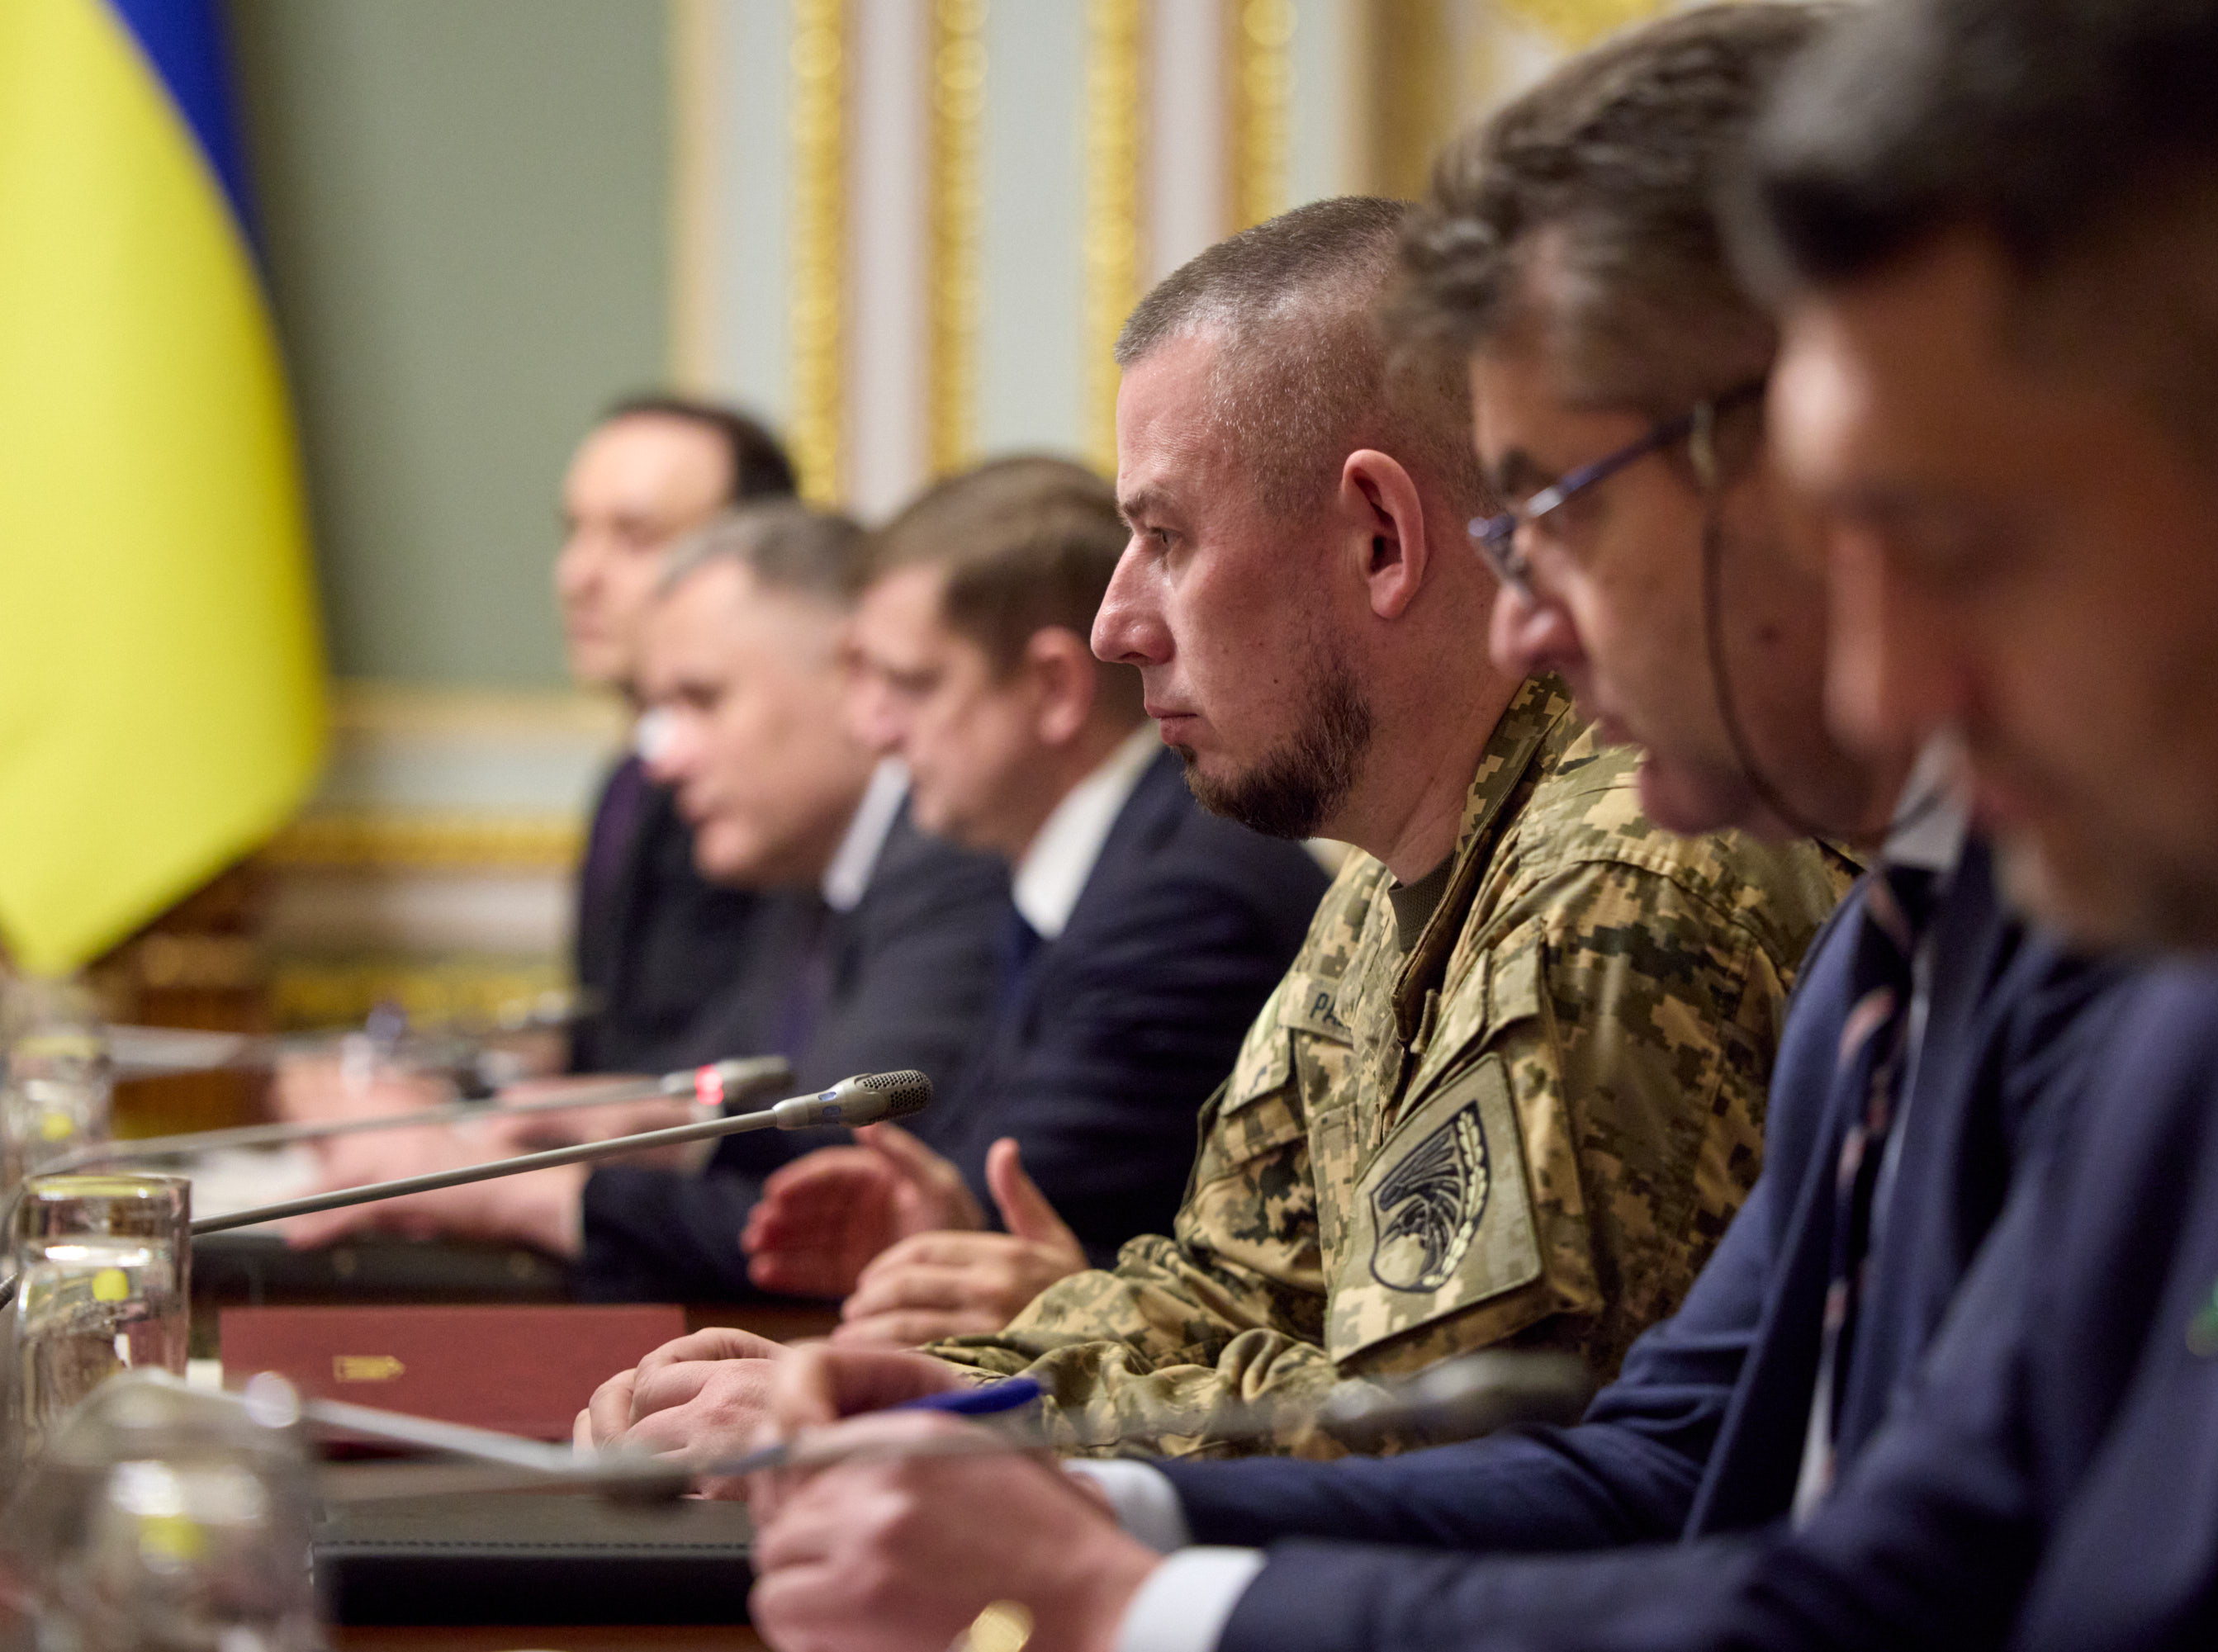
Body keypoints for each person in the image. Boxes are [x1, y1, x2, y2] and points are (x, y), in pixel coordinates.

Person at [724, 12, 2128, 1650]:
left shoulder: (1668, 876)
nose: (1525, 622)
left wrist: (1114, 1564)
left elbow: (1493, 1439)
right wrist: (1033, 1461)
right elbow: (1656, 1461)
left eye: (1557, 514)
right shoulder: (1888, 945)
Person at [585, 197, 1852, 1465]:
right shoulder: (1387, 881)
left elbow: (1423, 1437)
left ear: (1380, 539)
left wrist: (941, 1418)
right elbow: (1224, 1292)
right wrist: (883, 1383)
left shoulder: (1602, 882)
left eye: (1165, 538)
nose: (1114, 624)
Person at [291, 504, 1013, 1303]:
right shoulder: (805, 873)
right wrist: (610, 1123)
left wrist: (501, 1187)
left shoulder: (954, 863)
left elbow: (836, 1195)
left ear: (853, 677)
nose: (663, 761)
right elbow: (717, 1104)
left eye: (703, 700)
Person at [734, 454, 1330, 1345]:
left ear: (1053, 688)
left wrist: (951, 1222)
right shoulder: (1083, 870)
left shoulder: (1182, 905)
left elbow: (1022, 1207)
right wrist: (939, 1218)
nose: (873, 730)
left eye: (913, 684)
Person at [557, 396, 793, 1074]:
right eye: (573, 531)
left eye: (635, 538)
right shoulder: (629, 777)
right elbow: (615, 1051)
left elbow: (739, 1065)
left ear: (742, 560)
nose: (576, 576)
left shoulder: (777, 791)